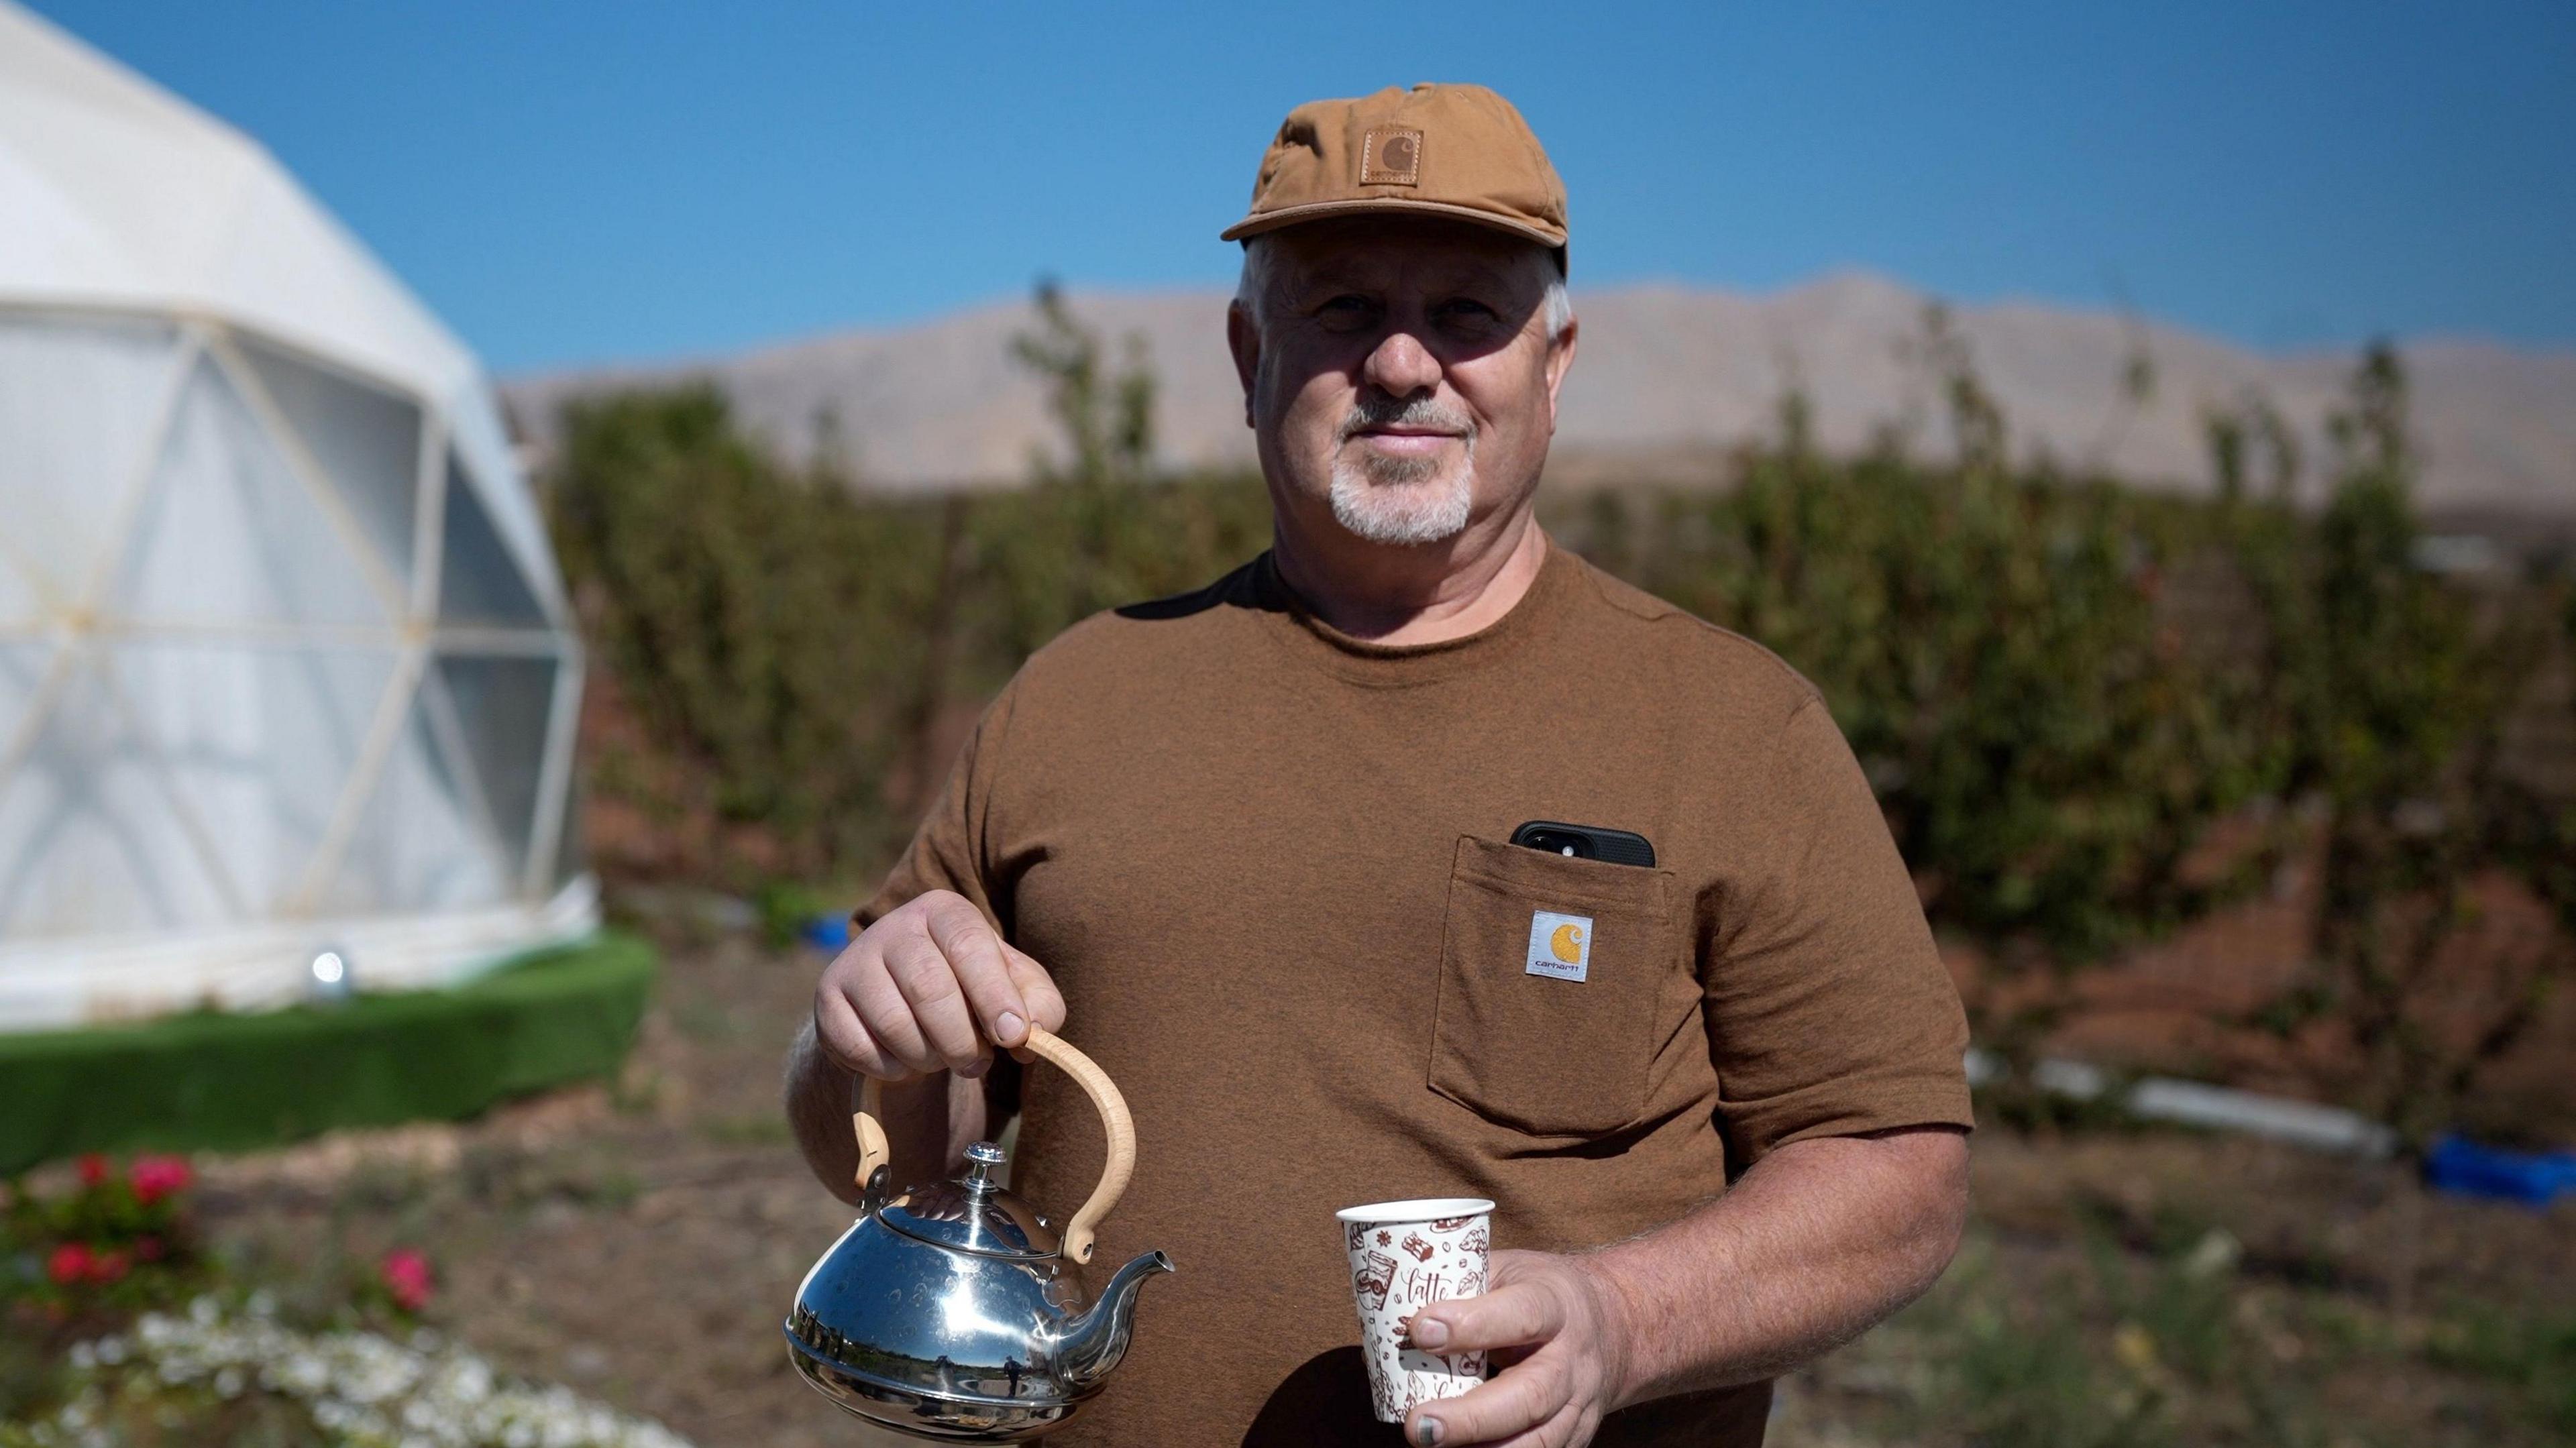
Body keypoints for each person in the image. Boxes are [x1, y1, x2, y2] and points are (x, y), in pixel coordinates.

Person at [787, 82, 1973, 1448]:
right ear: (1250, 357)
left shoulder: (1728, 726)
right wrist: (851, 1042)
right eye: (1344, 310)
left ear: (1556, 361)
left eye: (1469, 313)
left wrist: (1626, 1322)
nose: (1406, 364)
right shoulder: (1077, 695)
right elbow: (895, 1160)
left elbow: (1897, 1171)